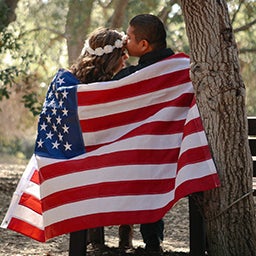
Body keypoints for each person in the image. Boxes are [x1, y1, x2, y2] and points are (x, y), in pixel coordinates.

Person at [114, 14, 175, 254]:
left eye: (128, 37)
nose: (124, 41)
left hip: (145, 159)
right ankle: (152, 242)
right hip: (174, 156)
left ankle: (143, 241)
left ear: (143, 45)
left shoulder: (135, 76)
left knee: (136, 165)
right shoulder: (180, 68)